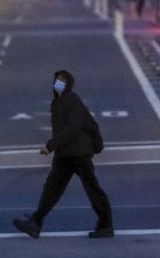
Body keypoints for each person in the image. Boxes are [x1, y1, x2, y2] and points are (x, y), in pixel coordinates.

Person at [13, 70, 113, 239]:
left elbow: (73, 129)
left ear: (69, 84)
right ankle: (35, 222)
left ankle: (106, 226)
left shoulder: (72, 99)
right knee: (52, 188)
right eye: (57, 80)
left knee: (92, 189)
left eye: (63, 81)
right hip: (65, 154)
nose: (59, 83)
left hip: (78, 152)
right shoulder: (57, 102)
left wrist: (50, 146)